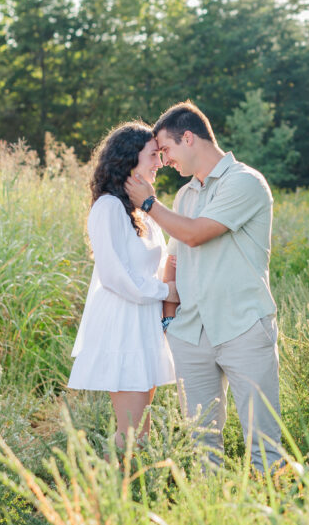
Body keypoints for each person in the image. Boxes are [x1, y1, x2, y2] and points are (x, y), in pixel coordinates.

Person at [124, 100, 282, 473]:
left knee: (263, 444)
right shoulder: (185, 195)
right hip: (191, 334)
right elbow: (174, 258)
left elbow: (194, 235)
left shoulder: (244, 182)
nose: (163, 161)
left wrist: (147, 202)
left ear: (189, 138)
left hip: (242, 327)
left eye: (166, 150)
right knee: (200, 446)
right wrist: (169, 321)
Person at [68, 121, 181, 450]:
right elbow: (115, 276)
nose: (159, 163)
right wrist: (165, 292)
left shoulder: (142, 212)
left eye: (161, 155)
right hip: (123, 326)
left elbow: (160, 266)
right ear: (129, 158)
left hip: (145, 324)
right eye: (153, 155)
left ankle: (129, 495)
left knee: (141, 433)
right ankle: (103, 498)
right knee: (131, 432)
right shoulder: (108, 208)